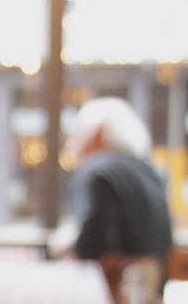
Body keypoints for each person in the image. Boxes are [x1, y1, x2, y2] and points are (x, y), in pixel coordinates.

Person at [62, 97, 173, 277]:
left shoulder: (96, 171)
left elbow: (93, 242)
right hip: (150, 284)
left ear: (95, 134)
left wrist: (68, 247)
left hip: (111, 285)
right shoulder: (150, 171)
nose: (71, 144)